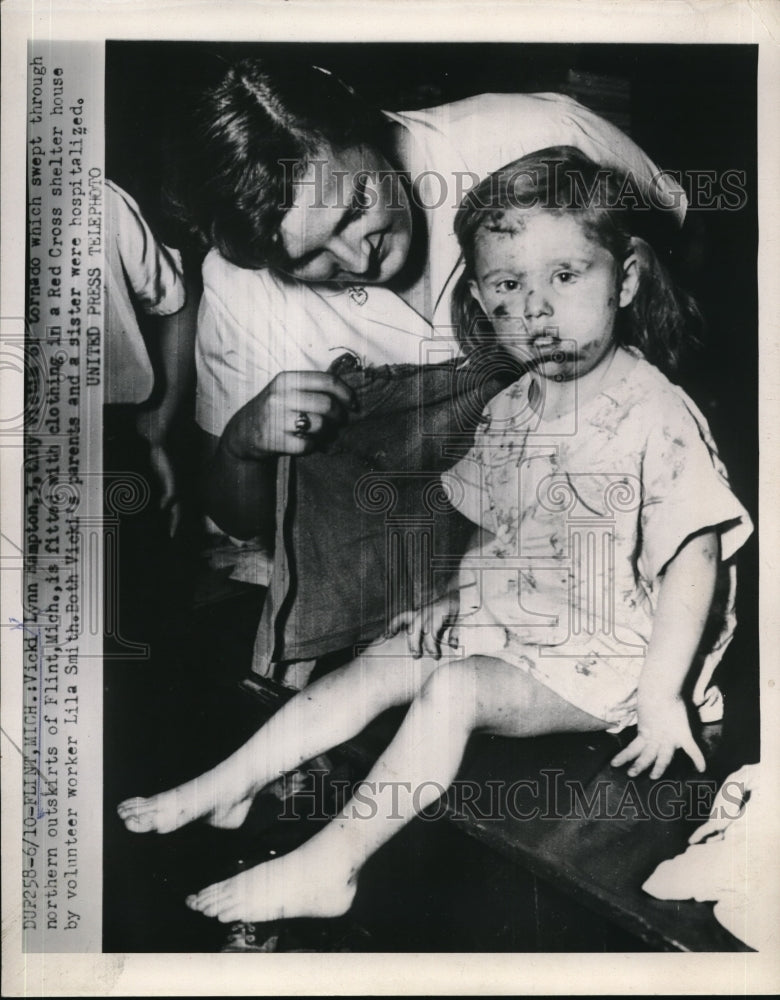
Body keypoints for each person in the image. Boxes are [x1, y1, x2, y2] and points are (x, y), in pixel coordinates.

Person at [117, 148, 751, 924]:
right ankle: (232, 782)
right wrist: (455, 600)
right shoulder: (513, 406)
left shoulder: (655, 411)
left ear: (624, 279)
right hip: (531, 617)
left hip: (622, 653)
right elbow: (498, 529)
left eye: (566, 276)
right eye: (509, 288)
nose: (537, 311)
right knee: (390, 656)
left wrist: (662, 696)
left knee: (453, 689)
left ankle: (332, 865)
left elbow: (696, 557)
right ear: (483, 302)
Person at [187, 58, 687, 548]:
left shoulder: (538, 132)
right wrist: (243, 446)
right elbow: (241, 519)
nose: (357, 260)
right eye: (308, 257)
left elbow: (689, 251)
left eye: (356, 208)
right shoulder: (239, 286)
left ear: (365, 127)